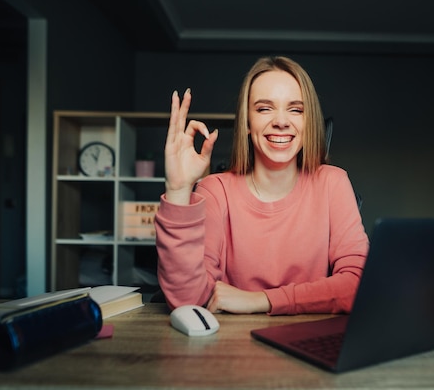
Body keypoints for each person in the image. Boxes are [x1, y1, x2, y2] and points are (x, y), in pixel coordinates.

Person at [154, 56, 368, 315]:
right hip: (233, 346)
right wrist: (178, 190)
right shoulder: (215, 190)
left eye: (296, 109)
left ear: (308, 121)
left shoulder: (332, 183)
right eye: (265, 108)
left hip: (306, 341)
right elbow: (187, 302)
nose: (281, 121)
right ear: (246, 122)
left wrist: (261, 300)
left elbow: (359, 284)